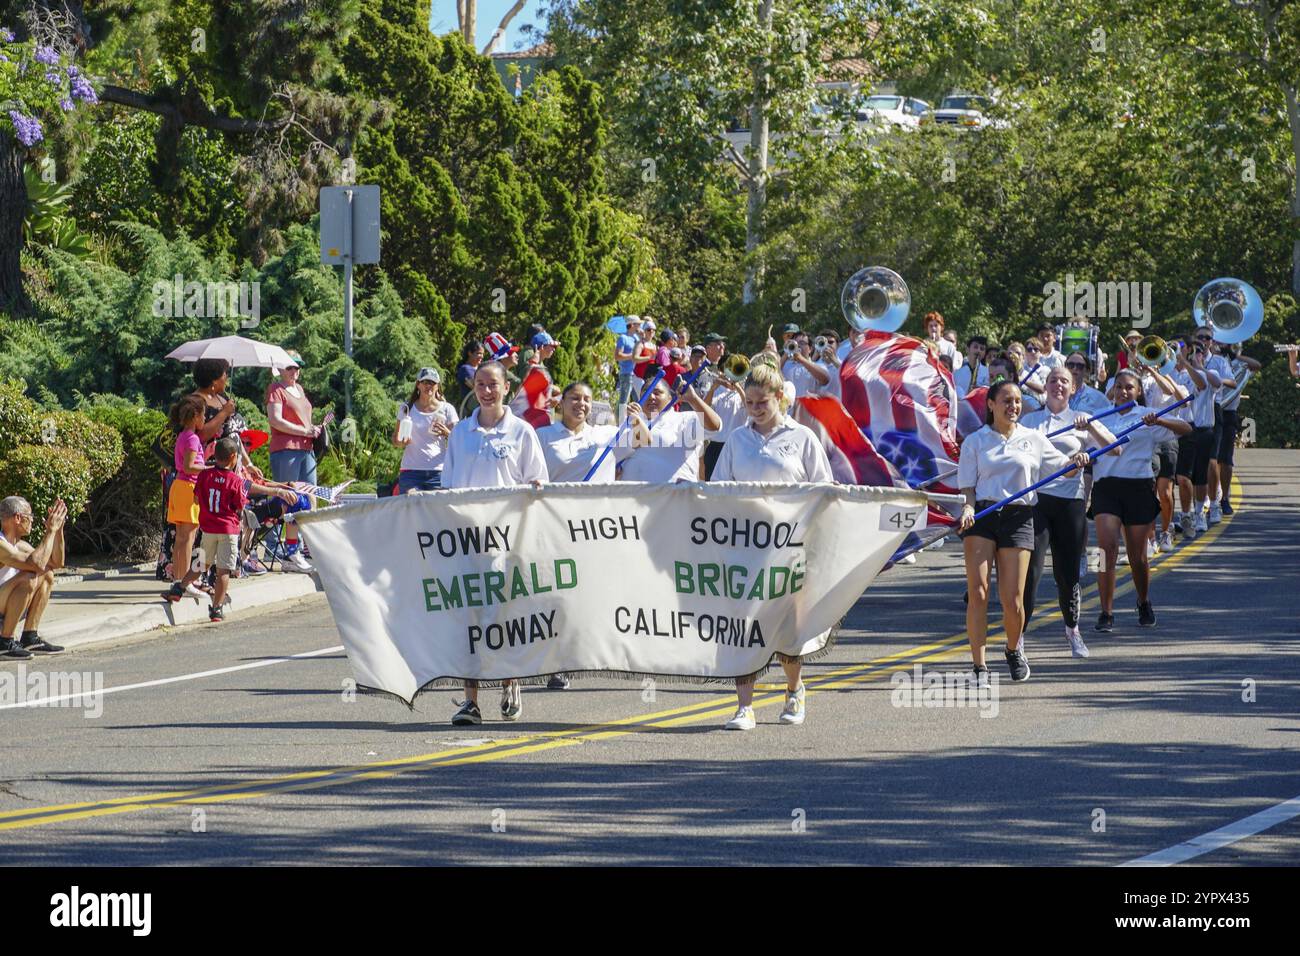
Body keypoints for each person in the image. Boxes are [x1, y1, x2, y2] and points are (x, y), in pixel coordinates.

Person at [712, 363, 834, 730]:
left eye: (761, 401)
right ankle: (744, 706)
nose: (754, 408)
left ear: (780, 397)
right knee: (742, 625)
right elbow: (719, 489)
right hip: (745, 544)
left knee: (786, 626)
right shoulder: (736, 439)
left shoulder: (803, 438)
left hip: (790, 545)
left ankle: (794, 690)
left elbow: (825, 490)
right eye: (749, 402)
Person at [956, 379, 1090, 684]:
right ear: (991, 404)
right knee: (978, 593)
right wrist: (967, 508)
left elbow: (1063, 468)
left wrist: (1078, 461)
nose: (1013, 406)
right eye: (1006, 400)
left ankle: (1013, 649)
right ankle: (979, 666)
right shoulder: (975, 441)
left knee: (1013, 599)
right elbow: (967, 487)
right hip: (983, 516)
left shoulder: (1034, 438)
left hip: (1020, 515)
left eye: (1017, 401)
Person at [441, 361, 548, 726]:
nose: (487, 391)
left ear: (506, 388)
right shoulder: (461, 433)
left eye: (493, 385)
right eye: (481, 384)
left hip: (507, 542)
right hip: (468, 541)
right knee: (468, 619)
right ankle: (470, 701)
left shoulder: (521, 432)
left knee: (505, 616)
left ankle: (510, 681)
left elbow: (538, 484)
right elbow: (448, 488)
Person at [1021, 368, 1118, 658]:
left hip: (1069, 503)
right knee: (1031, 573)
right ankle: (1019, 637)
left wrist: (1090, 429)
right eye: (1053, 380)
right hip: (1036, 501)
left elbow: (1114, 449)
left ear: (1073, 388)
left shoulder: (1079, 421)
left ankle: (1072, 630)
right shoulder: (1030, 421)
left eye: (1064, 381)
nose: (1058, 385)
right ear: (1046, 386)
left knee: (1067, 575)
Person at [1091, 369, 1192, 631]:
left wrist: (1159, 421)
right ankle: (1106, 612)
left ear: (1138, 392)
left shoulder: (1145, 417)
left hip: (1138, 487)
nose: (1123, 392)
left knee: (1137, 557)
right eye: (1119, 387)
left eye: (1129, 388)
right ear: (1112, 390)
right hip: (1106, 488)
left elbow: (1186, 428)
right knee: (1106, 549)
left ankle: (1143, 600)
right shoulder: (1100, 417)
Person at [167, 439, 247, 622]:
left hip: (208, 528)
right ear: (233, 457)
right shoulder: (236, 481)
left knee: (202, 563)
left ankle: (180, 587)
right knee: (223, 570)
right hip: (228, 530)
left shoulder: (205, 476)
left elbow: (196, 499)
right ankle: (217, 608)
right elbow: (239, 505)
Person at [618, 376, 722, 483]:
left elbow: (715, 427)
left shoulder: (684, 419)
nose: (651, 396)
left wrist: (694, 399)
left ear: (669, 398)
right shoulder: (629, 422)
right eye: (646, 392)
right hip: (631, 494)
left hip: (673, 496)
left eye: (657, 392)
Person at [0, 496, 67, 657]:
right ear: (17, 518)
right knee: (29, 577)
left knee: (47, 574)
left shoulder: (20, 545)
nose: (32, 521)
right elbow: (35, 564)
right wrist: (50, 530)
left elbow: (56, 562)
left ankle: (29, 637)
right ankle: (4, 642)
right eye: (30, 517)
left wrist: (58, 531)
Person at [1171, 336, 1221, 538]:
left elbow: (1203, 384)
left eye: (1197, 351)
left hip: (1203, 429)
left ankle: (1200, 512)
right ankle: (1186, 514)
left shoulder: (1208, 373)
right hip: (1181, 430)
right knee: (1183, 476)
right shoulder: (1173, 373)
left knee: (1200, 477)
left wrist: (1192, 364)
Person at [166, 395, 210, 599]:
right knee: (187, 538)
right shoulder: (192, 438)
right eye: (204, 415)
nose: (205, 419)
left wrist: (205, 456)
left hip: (180, 487)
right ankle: (184, 583)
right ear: (195, 416)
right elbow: (189, 466)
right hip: (189, 488)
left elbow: (188, 463)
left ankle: (178, 581)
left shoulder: (184, 436)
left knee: (181, 538)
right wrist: (210, 467)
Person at [393, 367, 458, 493]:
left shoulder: (447, 409)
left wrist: (447, 433)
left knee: (437, 511)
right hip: (411, 471)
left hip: (438, 471)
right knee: (411, 508)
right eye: (425, 382)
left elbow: (459, 441)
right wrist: (400, 442)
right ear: (418, 384)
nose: (429, 386)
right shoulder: (406, 408)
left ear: (437, 386)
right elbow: (395, 439)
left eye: (433, 383)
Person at [1214, 343, 1261, 516]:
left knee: (1226, 459)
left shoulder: (1239, 363)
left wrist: (1235, 356)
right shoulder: (1212, 360)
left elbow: (1256, 365)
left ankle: (1224, 498)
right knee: (1211, 459)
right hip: (1209, 411)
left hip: (1228, 413)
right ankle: (1211, 497)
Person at [265, 350, 320, 487]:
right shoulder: (276, 389)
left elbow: (303, 419)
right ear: (280, 369)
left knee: (310, 493)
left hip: (307, 449)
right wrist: (305, 431)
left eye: (297, 366)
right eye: (289, 367)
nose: (294, 370)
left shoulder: (300, 389)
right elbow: (275, 420)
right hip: (286, 450)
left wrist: (313, 429)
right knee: (288, 495)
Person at [781, 331, 830, 398]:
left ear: (810, 349)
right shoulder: (786, 365)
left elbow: (825, 379)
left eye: (801, 343)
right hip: (790, 408)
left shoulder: (817, 365)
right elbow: (771, 375)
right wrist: (786, 353)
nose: (798, 346)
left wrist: (801, 359)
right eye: (795, 343)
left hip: (809, 407)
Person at [614, 315, 643, 416]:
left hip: (635, 374)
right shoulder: (623, 338)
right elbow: (617, 356)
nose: (640, 326)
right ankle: (620, 422)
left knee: (637, 400)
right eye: (638, 324)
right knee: (624, 400)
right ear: (631, 325)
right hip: (626, 373)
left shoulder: (635, 338)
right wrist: (632, 356)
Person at [456, 340, 485, 415]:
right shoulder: (465, 369)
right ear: (470, 353)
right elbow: (475, 386)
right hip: (471, 407)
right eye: (478, 353)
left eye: (482, 354)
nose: (481, 356)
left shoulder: (481, 369)